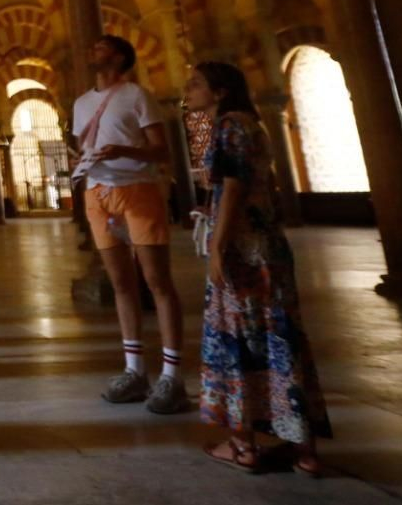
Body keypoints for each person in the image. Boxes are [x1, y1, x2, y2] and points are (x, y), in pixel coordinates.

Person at [186, 61, 330, 475]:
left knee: (236, 338)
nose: (188, 91)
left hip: (242, 251)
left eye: (196, 84)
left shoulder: (230, 125)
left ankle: (243, 447)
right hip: (269, 246)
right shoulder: (252, 124)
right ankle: (304, 450)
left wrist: (217, 246)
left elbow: (233, 186)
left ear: (220, 91)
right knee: (279, 338)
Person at [72, 34, 187, 414]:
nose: (94, 49)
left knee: (156, 282)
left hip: (137, 189)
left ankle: (172, 375)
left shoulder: (137, 95)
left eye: (102, 46)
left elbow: (160, 149)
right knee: (122, 284)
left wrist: (125, 151)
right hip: (98, 194)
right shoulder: (81, 102)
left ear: (120, 57)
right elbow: (83, 148)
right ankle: (134, 370)